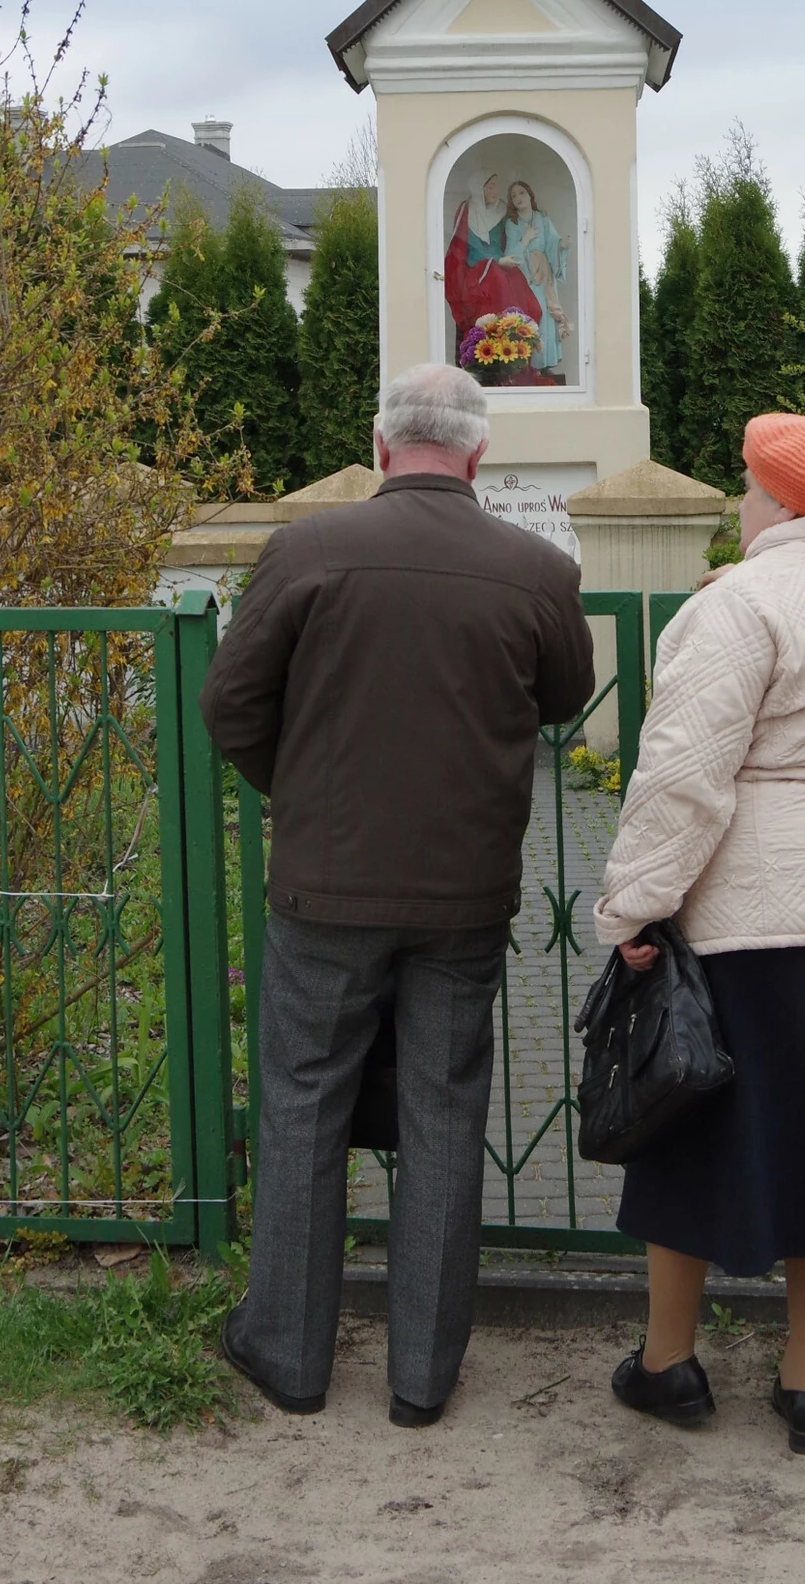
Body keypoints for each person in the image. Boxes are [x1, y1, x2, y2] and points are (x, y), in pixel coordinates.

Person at [200, 363, 594, 1425]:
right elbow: (563, 696)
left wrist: (309, 793)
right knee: (444, 1110)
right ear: (476, 455)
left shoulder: (304, 550)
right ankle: (422, 1377)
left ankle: (286, 1351)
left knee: (301, 1104)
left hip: (324, 886)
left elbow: (230, 704)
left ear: (380, 448)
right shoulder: (534, 570)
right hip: (463, 894)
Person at [593, 413, 805, 1454]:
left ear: (780, 502)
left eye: (745, 488)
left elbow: (683, 777)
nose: (739, 503)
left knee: (686, 1121)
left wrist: (632, 906)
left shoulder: (736, 604)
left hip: (755, 907)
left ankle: (668, 1365)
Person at [444, 169, 542, 337]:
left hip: (504, 264)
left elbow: (514, 233)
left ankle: (516, 342)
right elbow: (464, 246)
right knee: (497, 283)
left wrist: (536, 222)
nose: (495, 191)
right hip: (475, 270)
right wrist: (496, 262)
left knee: (529, 303)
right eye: (490, 187)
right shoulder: (467, 210)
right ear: (478, 188)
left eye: (496, 187)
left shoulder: (503, 209)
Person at [499, 180, 570, 374]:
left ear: (530, 195)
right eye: (514, 196)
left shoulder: (543, 220)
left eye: (521, 193)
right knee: (531, 313)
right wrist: (526, 239)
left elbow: (552, 245)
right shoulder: (511, 224)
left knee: (546, 316)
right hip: (525, 276)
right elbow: (510, 253)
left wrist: (562, 247)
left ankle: (545, 364)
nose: (518, 198)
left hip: (544, 276)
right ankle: (530, 365)